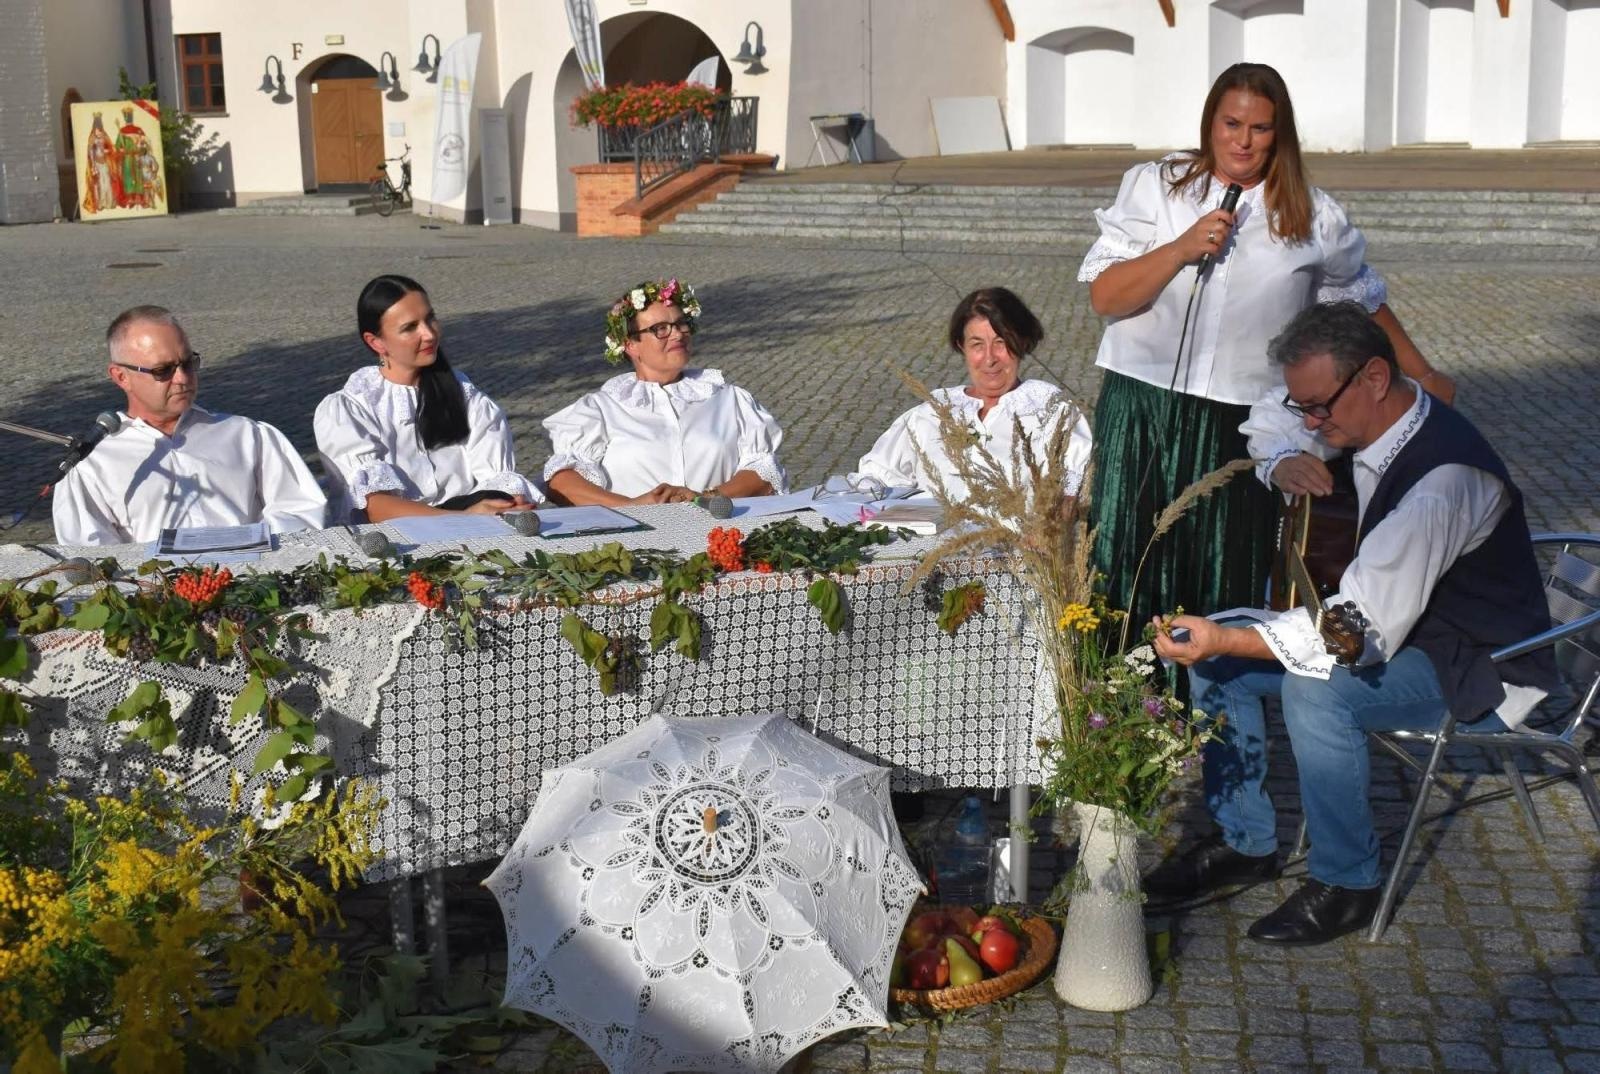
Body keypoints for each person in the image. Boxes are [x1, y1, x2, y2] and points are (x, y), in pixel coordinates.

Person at [1147, 302, 1554, 945]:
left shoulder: (1442, 480)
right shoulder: (1377, 419)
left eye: (1318, 407)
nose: (1309, 422)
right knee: (1222, 665)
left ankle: (1347, 884)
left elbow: (1355, 631)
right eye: (1301, 407)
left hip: (1483, 665)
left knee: (1317, 691)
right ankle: (1245, 841)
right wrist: (1281, 458)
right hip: (1420, 632)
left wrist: (1227, 635)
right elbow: (1275, 428)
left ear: (1372, 377)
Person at [1079, 62, 1455, 630]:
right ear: (1211, 123)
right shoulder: (1158, 185)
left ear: (1279, 134)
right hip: (1143, 406)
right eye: (1231, 124)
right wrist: (1179, 248)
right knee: (1129, 562)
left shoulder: (1313, 213)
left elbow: (1359, 303)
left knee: (1221, 571)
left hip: (1242, 420)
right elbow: (1106, 297)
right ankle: (1121, 702)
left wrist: (1423, 375)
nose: (1243, 142)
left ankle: (1207, 707)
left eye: (1259, 129)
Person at [52, 306, 327, 546]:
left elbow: (301, 509)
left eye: (188, 363)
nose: (182, 378)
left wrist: (254, 548)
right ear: (121, 376)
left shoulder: (246, 435)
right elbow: (90, 552)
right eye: (163, 370)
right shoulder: (93, 462)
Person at [315, 274, 542, 523]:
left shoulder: (467, 397)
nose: (429, 334)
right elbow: (376, 507)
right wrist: (462, 517)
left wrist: (509, 501)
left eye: (430, 318)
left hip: (477, 534)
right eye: (410, 328)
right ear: (376, 342)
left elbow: (498, 478)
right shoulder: (350, 409)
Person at [543, 279, 787, 506]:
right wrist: (632, 508)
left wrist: (706, 499)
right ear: (630, 345)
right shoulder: (600, 409)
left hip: (720, 536)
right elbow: (561, 482)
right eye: (661, 328)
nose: (677, 334)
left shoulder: (730, 399)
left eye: (681, 324)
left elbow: (763, 470)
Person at [853, 287, 1091, 501]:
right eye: (977, 345)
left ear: (1022, 341)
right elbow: (876, 473)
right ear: (961, 347)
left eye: (1001, 343)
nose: (989, 359)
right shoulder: (935, 412)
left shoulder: (1050, 409)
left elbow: (1075, 486)